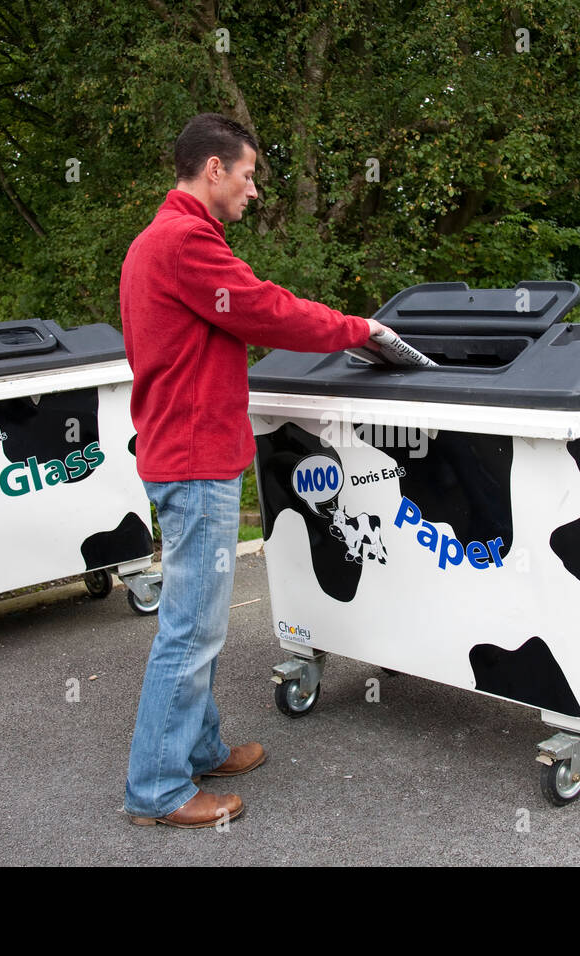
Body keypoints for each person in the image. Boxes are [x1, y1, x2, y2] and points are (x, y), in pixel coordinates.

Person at [119, 113, 393, 828]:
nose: (253, 190)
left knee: (197, 621)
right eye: (247, 176)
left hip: (182, 451)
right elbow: (266, 312)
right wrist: (359, 330)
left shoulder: (157, 240)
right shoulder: (186, 242)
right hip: (193, 459)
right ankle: (157, 788)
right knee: (191, 628)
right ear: (214, 169)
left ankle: (200, 745)